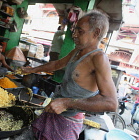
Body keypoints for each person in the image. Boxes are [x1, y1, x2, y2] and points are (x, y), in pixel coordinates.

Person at [21, 10, 117, 140]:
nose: (74, 35)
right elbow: (56, 65)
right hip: (53, 111)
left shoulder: (99, 58)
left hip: (68, 121)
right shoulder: (77, 51)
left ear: (96, 33)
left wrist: (67, 103)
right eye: (75, 30)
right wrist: (32, 70)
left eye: (80, 31)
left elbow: (111, 103)